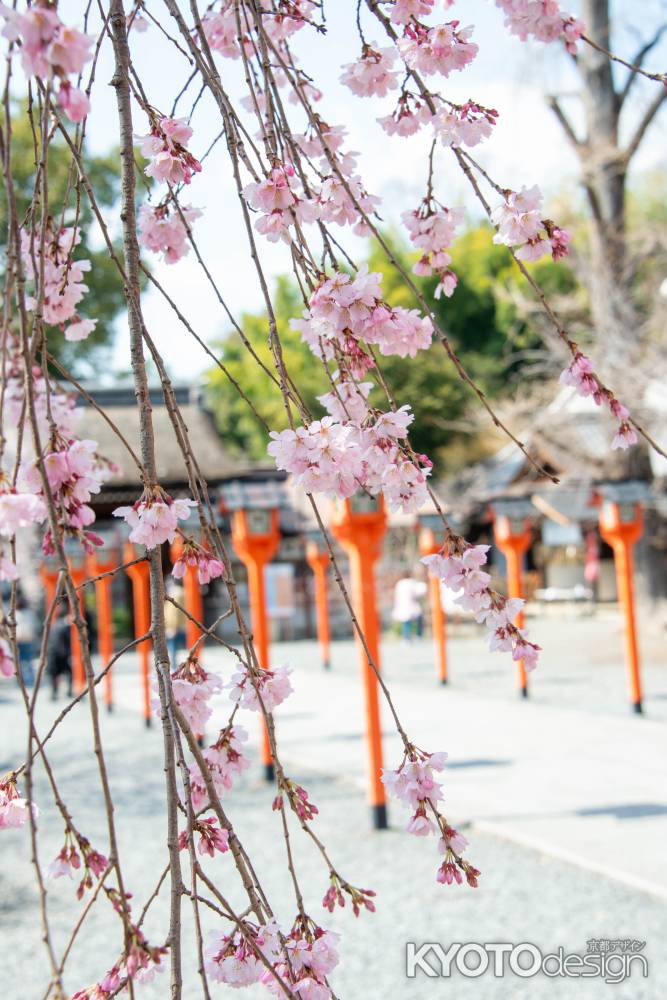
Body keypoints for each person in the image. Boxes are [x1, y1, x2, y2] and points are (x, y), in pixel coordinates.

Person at [392, 572, 427, 641]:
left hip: (403, 605)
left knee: (406, 622)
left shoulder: (399, 584)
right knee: (418, 620)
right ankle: (419, 636)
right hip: (411, 605)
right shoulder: (411, 583)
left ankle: (406, 638)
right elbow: (419, 592)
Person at [46, 608, 72, 700]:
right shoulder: (65, 627)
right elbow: (65, 641)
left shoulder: (53, 626)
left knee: (54, 674)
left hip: (53, 653)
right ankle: (69, 691)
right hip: (61, 654)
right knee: (69, 672)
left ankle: (54, 693)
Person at [15, 590, 36, 688]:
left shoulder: (28, 613)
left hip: (26, 640)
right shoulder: (15, 613)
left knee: (27, 660)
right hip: (21, 640)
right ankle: (22, 680)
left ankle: (29, 679)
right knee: (22, 661)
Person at [164, 581, 186, 666]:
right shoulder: (181, 593)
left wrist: (173, 625)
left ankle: (174, 665)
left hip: (174, 625)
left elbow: (174, 612)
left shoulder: (175, 594)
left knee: (172, 645)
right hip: (180, 624)